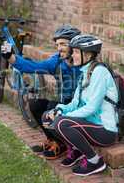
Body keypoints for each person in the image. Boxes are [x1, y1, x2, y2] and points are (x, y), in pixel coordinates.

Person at [1, 24, 81, 158]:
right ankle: (55, 141)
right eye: (57, 44)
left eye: (63, 44)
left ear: (74, 45)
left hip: (80, 106)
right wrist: (10, 57)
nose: (59, 48)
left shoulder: (85, 63)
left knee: (51, 107)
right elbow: (33, 66)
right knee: (35, 104)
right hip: (64, 103)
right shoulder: (56, 61)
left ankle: (63, 143)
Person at [44, 34, 118, 176]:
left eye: (77, 52)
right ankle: (77, 150)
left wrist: (62, 115)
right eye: (73, 52)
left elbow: (92, 108)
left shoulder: (99, 72)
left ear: (88, 54)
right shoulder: (85, 74)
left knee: (61, 122)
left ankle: (95, 161)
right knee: (48, 116)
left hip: (106, 131)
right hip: (91, 125)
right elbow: (74, 104)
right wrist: (59, 109)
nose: (73, 55)